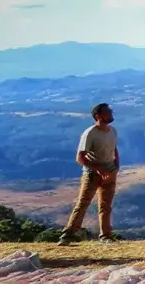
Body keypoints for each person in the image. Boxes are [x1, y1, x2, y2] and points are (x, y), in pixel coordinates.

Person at [58, 103, 120, 246]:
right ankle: (68, 234)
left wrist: (116, 166)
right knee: (83, 203)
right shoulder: (90, 133)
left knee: (106, 205)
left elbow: (114, 149)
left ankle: (106, 236)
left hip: (110, 171)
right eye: (108, 112)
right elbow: (80, 157)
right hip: (92, 173)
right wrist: (98, 169)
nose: (111, 113)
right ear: (98, 116)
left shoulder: (113, 131)